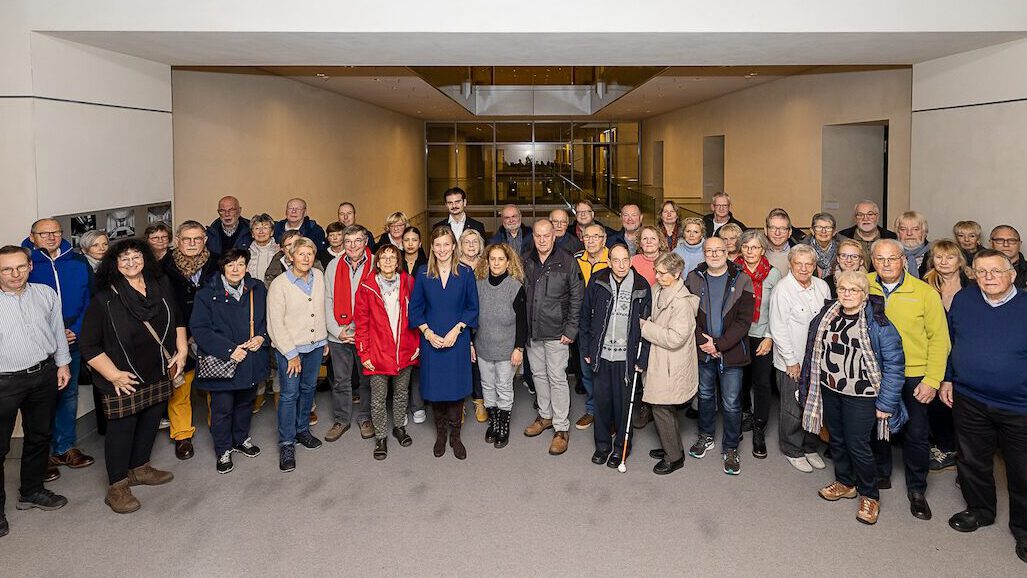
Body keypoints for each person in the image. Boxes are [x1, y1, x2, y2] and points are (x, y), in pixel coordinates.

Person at [80, 239, 184, 513]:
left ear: (145, 258)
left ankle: (139, 468)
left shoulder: (160, 286)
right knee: (121, 431)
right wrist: (113, 375)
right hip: (123, 377)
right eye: (123, 258)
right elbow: (88, 345)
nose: (130, 263)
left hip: (159, 370)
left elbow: (178, 319)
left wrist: (182, 350)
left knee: (150, 421)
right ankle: (117, 486)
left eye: (135, 256)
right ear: (114, 264)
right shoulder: (105, 299)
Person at [939, 249, 1027, 565]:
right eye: (981, 271)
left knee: (1022, 470)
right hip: (970, 398)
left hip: (1019, 406)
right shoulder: (964, 301)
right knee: (973, 461)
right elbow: (950, 344)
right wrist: (947, 379)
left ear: (1013, 274)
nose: (988, 277)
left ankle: (1024, 529)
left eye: (995, 270)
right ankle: (980, 510)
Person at [798, 271, 906, 525]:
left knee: (858, 445)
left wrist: (886, 403)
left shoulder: (878, 323)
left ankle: (870, 494)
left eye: (854, 290)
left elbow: (894, 365)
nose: (847, 294)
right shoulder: (827, 316)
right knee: (837, 439)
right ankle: (846, 482)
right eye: (843, 289)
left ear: (864, 294)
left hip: (863, 395)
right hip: (830, 389)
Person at [867, 238, 950, 521]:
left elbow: (940, 340)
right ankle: (881, 473)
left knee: (916, 434)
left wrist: (933, 380)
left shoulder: (925, 293)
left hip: (915, 373)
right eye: (880, 259)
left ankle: (917, 489)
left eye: (892, 258)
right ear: (873, 261)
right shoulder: (864, 285)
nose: (886, 264)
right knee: (879, 427)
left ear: (904, 260)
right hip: (876, 372)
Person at [0, 246, 71, 537]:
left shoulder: (45, 293)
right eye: (6, 269)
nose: (15, 274)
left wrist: (63, 364)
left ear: (30, 265)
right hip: (3, 382)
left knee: (39, 437)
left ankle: (31, 491)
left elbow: (57, 330)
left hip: (43, 375)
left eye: (20, 267)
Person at [21, 219, 94, 479]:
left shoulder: (76, 260)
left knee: (68, 395)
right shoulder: (24, 264)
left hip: (72, 338)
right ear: (32, 236)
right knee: (38, 401)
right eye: (44, 233)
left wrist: (77, 329)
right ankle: (40, 456)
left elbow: (89, 300)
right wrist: (52, 332)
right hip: (38, 344)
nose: (51, 237)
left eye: (55, 232)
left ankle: (64, 448)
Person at [189, 248, 268, 474]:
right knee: (222, 409)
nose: (236, 269)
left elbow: (266, 319)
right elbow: (200, 329)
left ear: (246, 267)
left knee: (245, 403)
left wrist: (261, 336)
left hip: (250, 358)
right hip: (222, 360)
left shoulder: (257, 289)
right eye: (231, 264)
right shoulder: (206, 294)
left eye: (241, 264)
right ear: (223, 267)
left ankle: (240, 439)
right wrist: (230, 350)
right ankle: (223, 449)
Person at [684, 236, 755, 475]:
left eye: (719, 250)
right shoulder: (693, 278)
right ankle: (706, 436)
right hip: (703, 350)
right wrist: (704, 341)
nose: (714, 255)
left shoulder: (742, 279)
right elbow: (686, 315)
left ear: (728, 252)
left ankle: (731, 447)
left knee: (732, 402)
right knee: (705, 396)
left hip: (731, 352)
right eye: (709, 251)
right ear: (703, 253)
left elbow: (745, 321)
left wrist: (720, 345)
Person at [409, 226, 479, 460]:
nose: (441, 249)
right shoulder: (422, 273)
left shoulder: (466, 273)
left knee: (456, 390)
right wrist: (427, 333)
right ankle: (441, 434)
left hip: (457, 340)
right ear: (432, 247)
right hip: (432, 340)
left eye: (446, 244)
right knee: (436, 389)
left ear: (453, 246)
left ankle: (456, 436)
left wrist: (458, 330)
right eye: (437, 245)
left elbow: (472, 308)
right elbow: (415, 308)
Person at [580, 244, 651, 468]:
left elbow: (648, 327)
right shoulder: (598, 281)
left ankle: (621, 447)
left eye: (625, 260)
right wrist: (587, 350)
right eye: (616, 260)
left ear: (630, 261)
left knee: (623, 406)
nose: (621, 265)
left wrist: (643, 358)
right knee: (602, 404)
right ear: (608, 262)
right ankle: (602, 446)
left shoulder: (642, 286)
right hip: (601, 354)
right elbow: (585, 317)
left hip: (626, 358)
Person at [522, 219, 584, 456]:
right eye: (537, 235)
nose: (541, 240)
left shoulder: (567, 261)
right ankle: (545, 416)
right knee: (538, 374)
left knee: (557, 377)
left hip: (558, 332)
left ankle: (561, 427)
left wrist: (571, 330)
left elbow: (577, 298)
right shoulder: (526, 259)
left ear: (554, 236)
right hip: (533, 330)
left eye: (546, 235)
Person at [266, 237, 328, 472]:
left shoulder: (319, 277)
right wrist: (291, 354)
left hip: (314, 346)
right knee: (289, 394)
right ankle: (287, 442)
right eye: (300, 254)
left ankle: (303, 430)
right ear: (290, 257)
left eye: (310, 254)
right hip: (290, 349)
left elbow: (321, 308)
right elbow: (275, 323)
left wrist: (323, 339)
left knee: (308, 389)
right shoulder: (280, 284)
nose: (305, 258)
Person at [354, 244, 420, 460]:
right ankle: (380, 436)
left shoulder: (408, 283)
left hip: (404, 349)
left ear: (398, 261)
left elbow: (418, 316)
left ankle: (399, 427)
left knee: (402, 393)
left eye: (393, 257)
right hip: (377, 352)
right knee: (378, 397)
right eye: (384, 258)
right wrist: (364, 354)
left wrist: (417, 344)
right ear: (378, 262)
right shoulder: (367, 287)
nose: (389, 261)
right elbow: (361, 324)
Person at [769, 244, 830, 473]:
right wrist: (791, 361)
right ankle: (792, 449)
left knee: (814, 405)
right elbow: (778, 328)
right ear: (791, 264)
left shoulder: (822, 287)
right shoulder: (783, 290)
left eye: (809, 264)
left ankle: (810, 447)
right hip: (792, 361)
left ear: (815, 266)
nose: (804, 268)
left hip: (817, 361)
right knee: (792, 408)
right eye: (799, 263)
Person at [162, 220, 219, 461]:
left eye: (198, 239)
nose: (192, 243)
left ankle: (218, 427)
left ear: (205, 240)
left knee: (215, 385)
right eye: (187, 239)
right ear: (177, 241)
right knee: (180, 388)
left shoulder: (218, 263)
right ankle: (182, 435)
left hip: (212, 332)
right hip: (177, 335)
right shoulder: (163, 267)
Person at [640, 252, 698, 475]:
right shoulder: (660, 289)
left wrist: (645, 327)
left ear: (676, 274)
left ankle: (674, 457)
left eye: (662, 273)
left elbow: (675, 338)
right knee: (663, 407)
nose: (657, 275)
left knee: (661, 407)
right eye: (656, 271)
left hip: (671, 363)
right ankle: (670, 445)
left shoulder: (681, 304)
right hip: (661, 360)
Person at [921, 240, 972, 472]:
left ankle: (963, 451)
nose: (944, 262)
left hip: (965, 352)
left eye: (950, 257)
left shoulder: (972, 286)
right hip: (934, 351)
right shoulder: (925, 286)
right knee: (937, 402)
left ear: (959, 260)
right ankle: (944, 446)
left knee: (962, 403)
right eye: (939, 257)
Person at [472, 243, 527, 449]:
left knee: (503, 387)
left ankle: (503, 426)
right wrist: (471, 343)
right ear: (487, 261)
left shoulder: (515, 287)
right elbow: (472, 316)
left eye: (500, 259)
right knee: (487, 385)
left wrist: (519, 348)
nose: (496, 263)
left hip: (507, 349)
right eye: (492, 259)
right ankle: (493, 422)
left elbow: (523, 322)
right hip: (483, 346)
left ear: (508, 262)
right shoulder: (478, 285)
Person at [324, 225, 375, 442]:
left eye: (357, 241)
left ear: (365, 242)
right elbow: (326, 299)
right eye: (348, 241)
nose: (353, 245)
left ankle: (365, 417)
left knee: (367, 380)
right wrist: (337, 331)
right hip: (339, 334)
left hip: (367, 335)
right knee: (341, 381)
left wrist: (364, 330)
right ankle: (341, 419)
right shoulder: (334, 265)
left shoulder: (375, 263)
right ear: (342, 244)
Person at [735, 230, 782, 458]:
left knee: (762, 383)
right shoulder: (732, 270)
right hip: (738, 335)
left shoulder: (773, 274)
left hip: (762, 334)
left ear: (763, 250)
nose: (750, 251)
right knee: (740, 380)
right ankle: (744, 414)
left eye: (755, 247)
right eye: (746, 247)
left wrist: (770, 336)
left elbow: (777, 309)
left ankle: (759, 427)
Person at [572, 223, 610, 429]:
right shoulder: (576, 260)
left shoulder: (614, 258)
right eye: (588, 236)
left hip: (608, 324)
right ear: (582, 239)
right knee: (587, 369)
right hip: (583, 323)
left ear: (604, 239)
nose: (592, 240)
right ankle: (592, 409)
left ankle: (610, 413)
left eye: (596, 236)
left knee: (608, 371)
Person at [76, 230, 110, 434]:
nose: (102, 249)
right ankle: (104, 426)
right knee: (100, 374)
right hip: (93, 327)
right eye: (96, 245)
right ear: (85, 248)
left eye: (105, 244)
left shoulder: (112, 265)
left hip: (111, 325)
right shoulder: (80, 268)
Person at [457, 228, 489, 423]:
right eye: (467, 242)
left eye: (474, 242)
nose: (470, 245)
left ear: (480, 245)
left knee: (479, 363)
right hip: (460, 320)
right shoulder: (454, 266)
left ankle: (479, 401)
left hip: (484, 321)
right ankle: (459, 404)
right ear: (460, 246)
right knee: (461, 362)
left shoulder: (487, 265)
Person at [802, 212, 843, 278]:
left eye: (828, 228)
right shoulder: (801, 249)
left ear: (834, 232)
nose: (823, 231)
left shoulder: (843, 249)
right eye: (819, 227)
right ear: (812, 230)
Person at [989, 225, 1027, 290]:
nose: (1006, 245)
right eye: (1000, 240)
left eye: (1012, 240)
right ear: (991, 243)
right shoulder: (978, 269)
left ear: (1020, 244)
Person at [895, 211, 931, 278]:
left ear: (924, 232)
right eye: (903, 229)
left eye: (915, 229)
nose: (909, 233)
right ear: (898, 233)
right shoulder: (888, 253)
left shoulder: (935, 253)